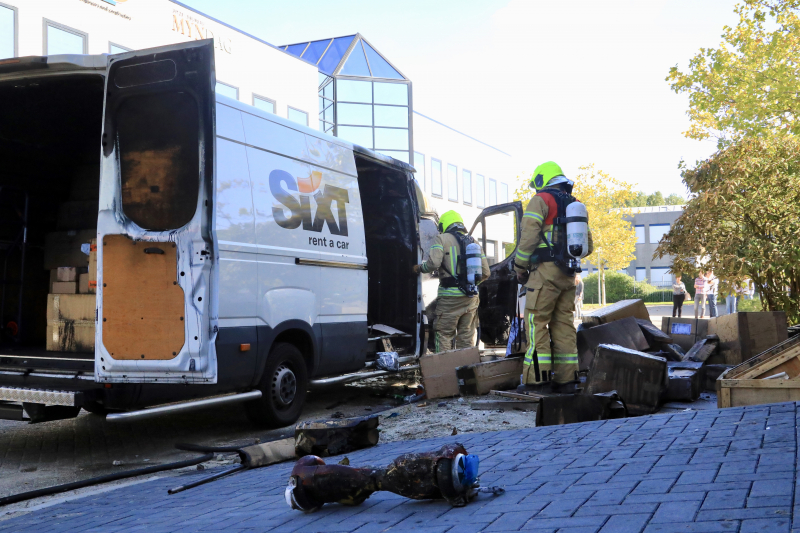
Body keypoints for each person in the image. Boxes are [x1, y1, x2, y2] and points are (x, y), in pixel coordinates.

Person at [512, 161, 594, 391]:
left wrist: (519, 266)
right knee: (564, 326)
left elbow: (528, 237)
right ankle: (567, 380)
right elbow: (590, 245)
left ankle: (538, 381)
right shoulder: (576, 204)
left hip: (544, 275)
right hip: (568, 275)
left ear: (541, 180)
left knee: (536, 324)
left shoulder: (540, 200)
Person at [413, 210, 490, 351]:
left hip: (449, 299)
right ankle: (464, 369)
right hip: (471, 298)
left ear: (444, 225)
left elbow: (433, 264)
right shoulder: (474, 243)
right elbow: (486, 272)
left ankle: (446, 371)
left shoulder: (441, 239)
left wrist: (418, 268)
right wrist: (469, 284)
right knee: (466, 337)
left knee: (444, 335)